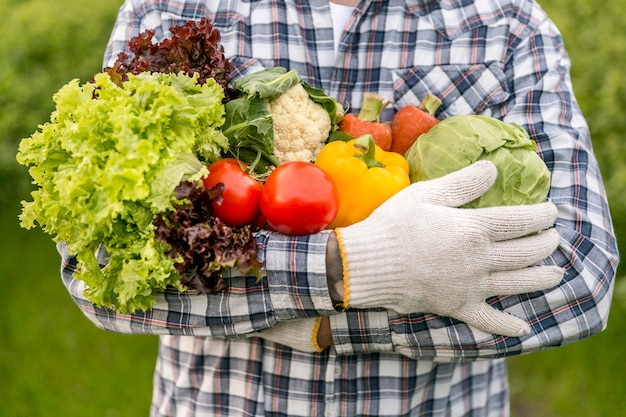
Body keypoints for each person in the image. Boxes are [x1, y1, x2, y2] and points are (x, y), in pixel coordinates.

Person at [59, 0, 619, 415]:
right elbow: (102, 264)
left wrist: (323, 327)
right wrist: (343, 267)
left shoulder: (508, 26)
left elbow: (581, 276)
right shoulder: (173, 7)